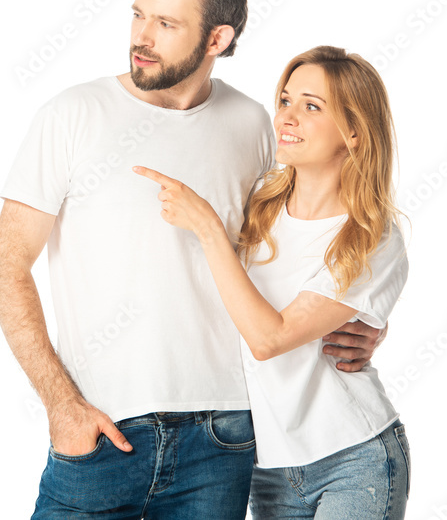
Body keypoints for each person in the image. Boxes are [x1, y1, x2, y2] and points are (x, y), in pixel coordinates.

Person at [0, 0, 387, 519]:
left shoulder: (257, 126)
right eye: (138, 15)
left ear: (217, 39)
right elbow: (4, 267)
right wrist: (62, 406)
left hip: (225, 440)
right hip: (100, 431)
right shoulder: (71, 115)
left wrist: (363, 316)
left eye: (167, 24)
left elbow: (317, 237)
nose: (141, 36)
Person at [134, 46, 410, 518]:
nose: (287, 116)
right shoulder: (259, 205)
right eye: (285, 100)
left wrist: (207, 228)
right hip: (268, 469)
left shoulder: (370, 237)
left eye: (311, 106)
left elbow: (269, 339)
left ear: (356, 134)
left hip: (353, 457)